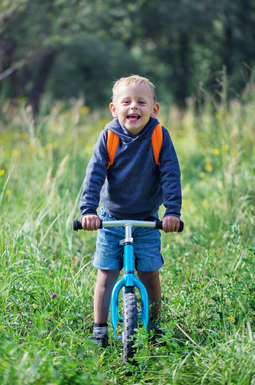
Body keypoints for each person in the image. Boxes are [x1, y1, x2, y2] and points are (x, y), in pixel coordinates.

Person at [80, 75, 182, 346]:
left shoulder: (159, 136)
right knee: (106, 273)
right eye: (126, 102)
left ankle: (154, 327)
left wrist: (172, 212)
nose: (133, 107)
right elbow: (94, 175)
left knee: (149, 274)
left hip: (148, 219)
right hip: (111, 218)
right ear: (114, 108)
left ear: (154, 109)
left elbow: (170, 174)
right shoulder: (109, 136)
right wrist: (89, 210)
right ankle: (99, 329)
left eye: (141, 102)